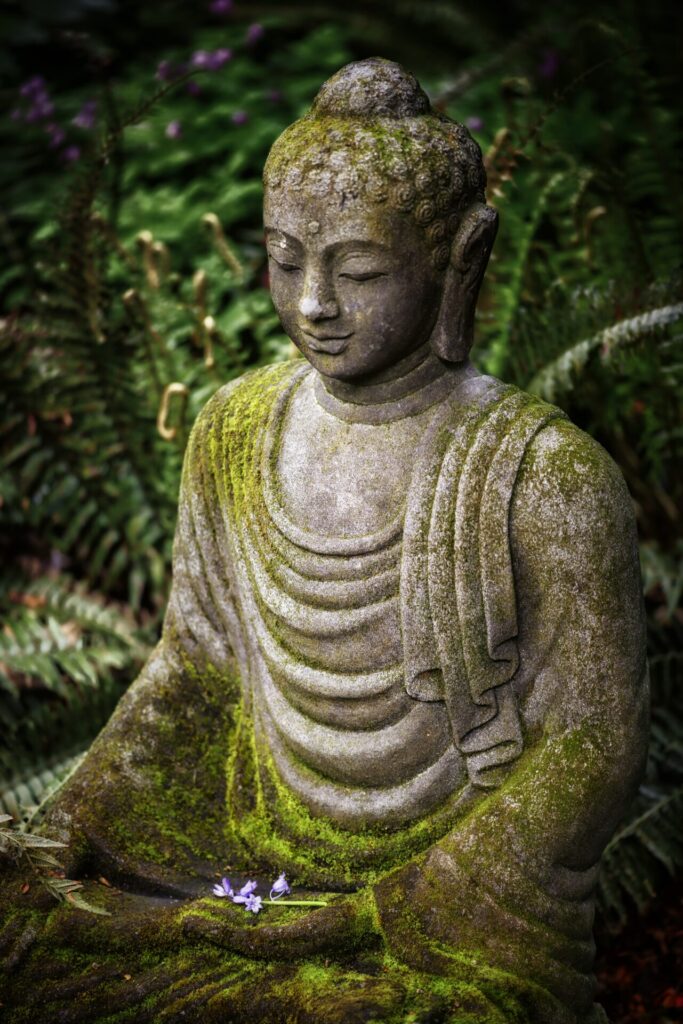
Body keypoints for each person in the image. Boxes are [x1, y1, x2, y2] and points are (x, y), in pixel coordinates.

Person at [0, 59, 648, 1024]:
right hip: (237, 862)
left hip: (434, 912)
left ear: (460, 258)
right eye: (284, 258)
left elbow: (593, 748)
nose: (312, 304)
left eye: (359, 270)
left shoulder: (541, 475)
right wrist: (58, 841)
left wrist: (375, 912)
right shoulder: (234, 428)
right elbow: (195, 669)